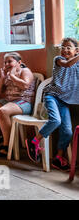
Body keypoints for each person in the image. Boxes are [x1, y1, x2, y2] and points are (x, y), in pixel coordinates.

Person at [26, 38, 79, 170]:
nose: (65, 49)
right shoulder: (58, 60)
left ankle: (58, 158)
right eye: (63, 47)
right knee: (55, 121)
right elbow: (67, 64)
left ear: (76, 51)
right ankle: (34, 142)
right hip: (52, 96)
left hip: (64, 101)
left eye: (69, 47)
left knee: (67, 132)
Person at [0, 52, 35, 157]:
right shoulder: (7, 74)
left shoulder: (25, 71)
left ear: (19, 62)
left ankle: (7, 145)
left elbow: (25, 85)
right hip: (9, 102)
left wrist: (13, 76)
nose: (7, 64)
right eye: (5, 62)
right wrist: (3, 77)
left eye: (10, 61)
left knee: (2, 111)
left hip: (23, 102)